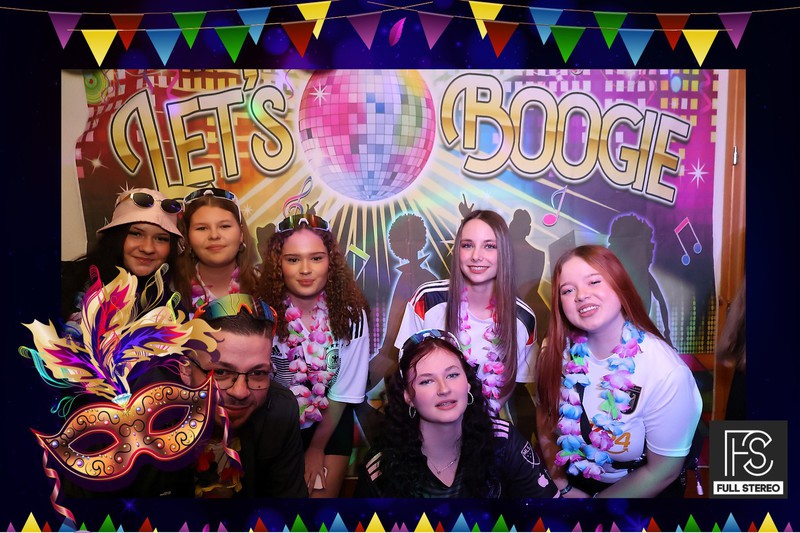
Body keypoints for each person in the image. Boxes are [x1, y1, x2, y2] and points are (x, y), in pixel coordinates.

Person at [63, 293, 308, 499]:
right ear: (185, 369)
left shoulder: (279, 411)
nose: (241, 392)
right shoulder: (136, 413)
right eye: (220, 372)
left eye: (257, 373)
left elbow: (289, 514)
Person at [536, 245, 702, 498]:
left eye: (594, 281)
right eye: (568, 290)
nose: (581, 295)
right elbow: (544, 417)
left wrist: (594, 511)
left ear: (619, 284)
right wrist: (563, 486)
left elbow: (663, 471)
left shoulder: (666, 371)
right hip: (573, 488)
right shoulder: (554, 352)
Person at [354, 329, 558, 498]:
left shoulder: (503, 441)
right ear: (408, 396)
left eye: (452, 375)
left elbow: (553, 518)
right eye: (427, 381)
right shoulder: (380, 467)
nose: (444, 389)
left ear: (467, 383)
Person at [255, 213, 370, 497]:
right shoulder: (261, 314)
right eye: (293, 259)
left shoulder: (351, 315)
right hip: (275, 425)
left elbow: (343, 392)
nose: (305, 269)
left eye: (316, 258)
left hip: (330, 423)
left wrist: (317, 448)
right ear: (278, 265)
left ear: (330, 262)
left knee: (318, 511)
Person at [395, 210, 537, 420]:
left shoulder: (524, 319)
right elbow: (405, 375)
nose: (476, 256)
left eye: (489, 246)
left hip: (484, 429)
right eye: (467, 245)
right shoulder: (427, 300)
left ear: (504, 253)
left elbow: (509, 387)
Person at [61, 187, 184, 331]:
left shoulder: (175, 302)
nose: (148, 248)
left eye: (161, 239)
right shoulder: (66, 280)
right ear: (116, 237)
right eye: (136, 234)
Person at [174, 187, 259, 313]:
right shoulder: (173, 294)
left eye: (224, 226)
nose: (214, 235)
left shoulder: (264, 287)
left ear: (241, 234)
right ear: (187, 237)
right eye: (202, 228)